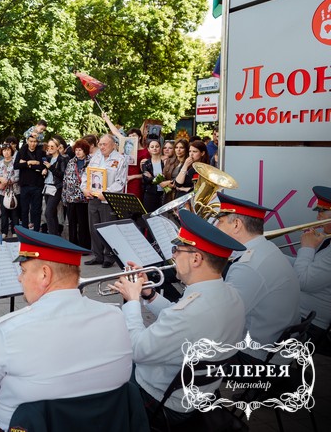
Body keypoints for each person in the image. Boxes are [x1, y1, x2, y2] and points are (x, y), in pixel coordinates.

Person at [0, 227, 133, 431]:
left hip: (23, 427)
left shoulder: (8, 329)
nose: (19, 278)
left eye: (23, 271)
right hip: (102, 424)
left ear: (45, 274)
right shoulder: (116, 316)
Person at [111, 210, 246, 425]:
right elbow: (177, 314)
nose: (172, 255)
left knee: (107, 369)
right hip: (199, 393)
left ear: (196, 259)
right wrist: (149, 294)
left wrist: (132, 300)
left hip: (163, 401)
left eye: (176, 250)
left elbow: (136, 350)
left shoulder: (188, 313)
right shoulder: (231, 294)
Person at [214, 192, 301, 363]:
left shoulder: (248, 266)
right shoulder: (267, 248)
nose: (216, 226)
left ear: (237, 225)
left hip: (254, 355)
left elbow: (220, 318)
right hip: (273, 347)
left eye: (220, 221)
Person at [293, 185, 331, 353]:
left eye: (322, 211)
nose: (318, 216)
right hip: (299, 314)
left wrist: (307, 248)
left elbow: (303, 282)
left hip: (309, 324)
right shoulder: (327, 238)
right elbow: (304, 266)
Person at [82, 134, 128, 268]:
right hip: (93, 198)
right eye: (100, 144)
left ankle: (109, 257)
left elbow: (120, 181)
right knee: (94, 228)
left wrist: (106, 193)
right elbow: (86, 174)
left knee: (108, 228)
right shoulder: (95, 157)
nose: (102, 147)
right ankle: (97, 255)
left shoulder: (120, 159)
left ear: (113, 145)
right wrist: (84, 188)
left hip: (108, 200)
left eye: (105, 144)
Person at [14, 136, 46, 231]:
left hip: (37, 185)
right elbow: (16, 165)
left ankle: (36, 230)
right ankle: (25, 230)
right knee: (24, 210)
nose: (33, 144)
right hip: (25, 185)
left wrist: (27, 164)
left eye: (35, 141)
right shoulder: (21, 152)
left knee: (36, 210)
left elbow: (42, 166)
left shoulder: (41, 152)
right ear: (27, 141)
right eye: (31, 141)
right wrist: (30, 162)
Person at [63, 139, 91, 249]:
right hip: (71, 197)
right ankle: (73, 246)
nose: (78, 152)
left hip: (83, 198)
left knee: (83, 224)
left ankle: (84, 246)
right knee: (72, 223)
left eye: (80, 150)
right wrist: (64, 196)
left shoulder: (91, 161)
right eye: (76, 150)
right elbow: (65, 179)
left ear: (85, 151)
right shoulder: (71, 162)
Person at [42, 138, 67, 236]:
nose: (50, 148)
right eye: (48, 146)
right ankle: (55, 234)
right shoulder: (48, 158)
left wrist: (51, 168)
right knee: (52, 213)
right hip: (47, 186)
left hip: (56, 187)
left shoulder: (62, 159)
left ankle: (52, 235)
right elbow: (48, 173)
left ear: (58, 147)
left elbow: (63, 175)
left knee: (48, 212)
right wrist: (44, 172)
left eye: (52, 146)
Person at [0, 144, 19, 238]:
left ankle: (15, 231)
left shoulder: (15, 162)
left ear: (11, 151)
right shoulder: (0, 163)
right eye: (4, 150)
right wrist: (0, 179)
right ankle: (4, 231)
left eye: (8, 150)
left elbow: (17, 176)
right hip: (3, 192)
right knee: (4, 212)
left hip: (14, 191)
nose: (6, 152)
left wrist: (7, 182)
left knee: (14, 212)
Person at [140, 138, 166, 212]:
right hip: (150, 193)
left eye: (157, 146)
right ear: (148, 149)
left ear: (160, 148)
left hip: (163, 193)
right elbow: (146, 179)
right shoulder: (146, 163)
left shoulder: (164, 162)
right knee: (149, 214)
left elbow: (166, 177)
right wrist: (158, 178)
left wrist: (151, 177)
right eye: (152, 147)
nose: (154, 148)